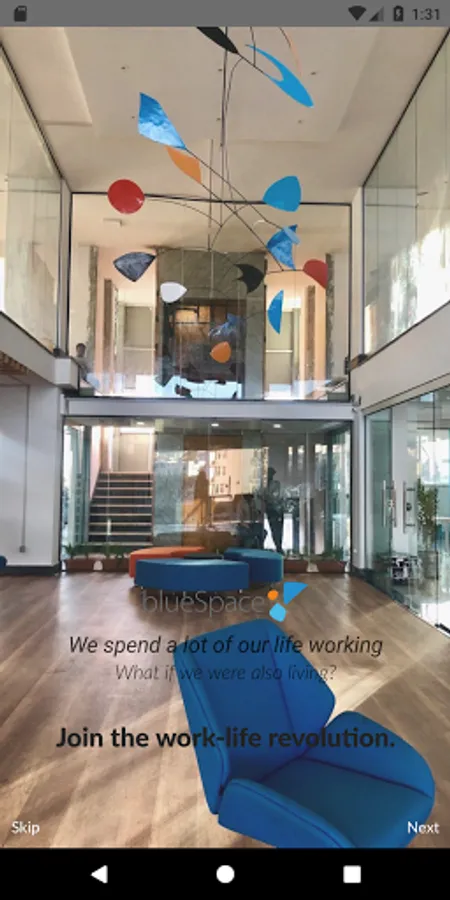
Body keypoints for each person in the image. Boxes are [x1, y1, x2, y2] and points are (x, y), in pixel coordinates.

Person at [264, 467, 284, 553]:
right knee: (273, 529)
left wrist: (267, 498)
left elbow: (274, 496)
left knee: (277, 529)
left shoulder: (276, 484)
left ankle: (279, 546)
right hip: (269, 509)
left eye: (270, 474)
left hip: (276, 510)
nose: (269, 476)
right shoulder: (264, 485)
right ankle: (277, 546)